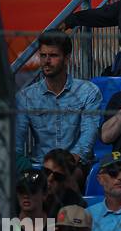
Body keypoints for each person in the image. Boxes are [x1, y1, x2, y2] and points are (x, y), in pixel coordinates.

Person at [14, 31, 101, 167]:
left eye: (53, 56)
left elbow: (87, 137)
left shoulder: (88, 91)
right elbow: (16, 144)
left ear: (67, 58)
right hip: (39, 165)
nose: (46, 61)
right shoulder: (26, 97)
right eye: (43, 55)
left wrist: (67, 163)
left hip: (75, 164)